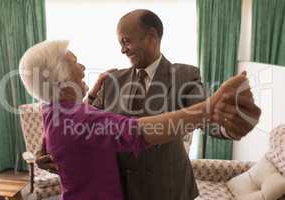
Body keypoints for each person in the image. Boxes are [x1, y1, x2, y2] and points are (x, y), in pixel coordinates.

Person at [36, 10, 261, 200]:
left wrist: (227, 125)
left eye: (126, 41)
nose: (122, 49)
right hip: (123, 190)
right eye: (120, 43)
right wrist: (46, 148)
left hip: (169, 190)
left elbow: (205, 116)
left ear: (152, 37)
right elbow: (84, 119)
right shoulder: (111, 79)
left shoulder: (185, 75)